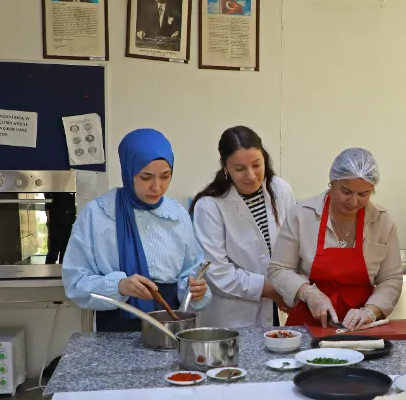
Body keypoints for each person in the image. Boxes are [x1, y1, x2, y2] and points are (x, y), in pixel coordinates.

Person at [62, 128, 209, 332]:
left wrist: (195, 289)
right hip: (114, 332)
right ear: (128, 171)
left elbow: (190, 271)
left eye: (165, 176)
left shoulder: (177, 215)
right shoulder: (98, 215)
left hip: (169, 328)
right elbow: (75, 283)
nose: (157, 187)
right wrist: (120, 286)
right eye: (146, 177)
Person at [268, 148, 403, 330]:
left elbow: (391, 278)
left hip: (360, 327)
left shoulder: (382, 221)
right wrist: (308, 293)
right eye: (346, 191)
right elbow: (278, 269)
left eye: (363, 194)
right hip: (307, 323)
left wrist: (370, 311)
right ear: (332, 182)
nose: (354, 202)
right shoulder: (302, 216)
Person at [191, 126, 297, 328]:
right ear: (225, 167)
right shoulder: (210, 206)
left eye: (257, 164)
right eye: (239, 169)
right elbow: (217, 273)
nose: (251, 175)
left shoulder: (280, 190)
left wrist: (292, 287)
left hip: (278, 308)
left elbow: (295, 247)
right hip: (232, 316)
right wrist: (271, 290)